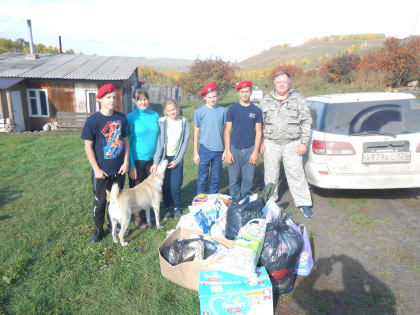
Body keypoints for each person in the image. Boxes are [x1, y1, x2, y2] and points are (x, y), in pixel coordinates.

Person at [260, 71, 314, 217]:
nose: (282, 84)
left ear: (289, 83)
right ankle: (270, 202)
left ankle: (304, 203)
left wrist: (304, 142)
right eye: (279, 82)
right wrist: (261, 142)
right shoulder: (265, 100)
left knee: (296, 173)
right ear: (274, 84)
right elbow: (259, 124)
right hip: (271, 143)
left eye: (284, 81)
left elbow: (306, 122)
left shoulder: (299, 99)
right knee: (271, 174)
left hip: (293, 143)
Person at [81, 83, 130, 242]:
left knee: (117, 199)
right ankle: (98, 229)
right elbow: (88, 146)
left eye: (114, 97)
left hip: (119, 170)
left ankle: (113, 225)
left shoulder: (121, 118)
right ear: (99, 100)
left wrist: (126, 162)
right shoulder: (93, 121)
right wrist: (96, 169)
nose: (112, 100)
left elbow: (126, 142)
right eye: (108, 97)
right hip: (101, 172)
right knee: (100, 201)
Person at [224, 80, 263, 203]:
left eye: (247, 92)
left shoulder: (256, 111)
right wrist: (228, 151)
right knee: (233, 179)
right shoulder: (232, 109)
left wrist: (255, 152)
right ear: (238, 93)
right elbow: (227, 131)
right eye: (242, 92)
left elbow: (258, 132)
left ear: (250, 92)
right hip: (234, 148)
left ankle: (244, 200)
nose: (245, 94)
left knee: (248, 179)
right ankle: (235, 201)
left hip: (250, 149)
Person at [150, 99, 190, 219]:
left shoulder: (184, 122)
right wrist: (156, 161)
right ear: (165, 112)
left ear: (177, 108)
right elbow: (159, 143)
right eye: (169, 110)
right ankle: (168, 207)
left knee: (175, 185)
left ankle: (176, 206)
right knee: (165, 185)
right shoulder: (162, 122)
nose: (172, 112)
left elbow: (184, 143)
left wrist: (177, 160)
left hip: (176, 158)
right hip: (164, 158)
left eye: (173, 109)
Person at [127, 90, 159, 227]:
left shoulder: (155, 115)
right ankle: (138, 217)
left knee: (151, 188)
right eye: (139, 100)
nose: (143, 102)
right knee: (137, 188)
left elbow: (160, 138)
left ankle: (149, 214)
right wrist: (131, 164)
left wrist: (157, 160)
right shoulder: (130, 118)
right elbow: (127, 142)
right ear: (134, 101)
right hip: (137, 160)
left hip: (152, 159)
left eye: (145, 99)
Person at [193, 83, 226, 194]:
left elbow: (225, 132)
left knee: (216, 178)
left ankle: (213, 199)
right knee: (202, 178)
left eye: (214, 96)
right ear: (204, 98)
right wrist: (195, 152)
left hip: (219, 150)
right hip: (205, 150)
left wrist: (226, 150)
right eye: (209, 97)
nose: (212, 99)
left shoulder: (223, 111)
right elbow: (196, 133)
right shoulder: (199, 112)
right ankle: (200, 200)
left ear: (217, 96)